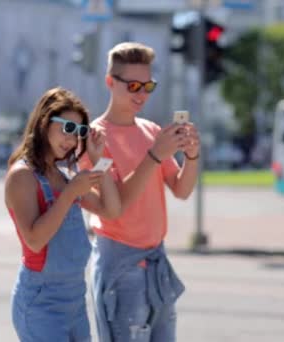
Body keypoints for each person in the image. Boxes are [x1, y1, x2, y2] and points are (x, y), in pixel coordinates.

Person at [79, 42, 200, 342]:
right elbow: (114, 204)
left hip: (156, 261)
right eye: (133, 85)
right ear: (110, 82)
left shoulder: (150, 130)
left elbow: (182, 190)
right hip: (120, 266)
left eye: (148, 86)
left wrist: (193, 156)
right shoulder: (95, 139)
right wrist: (155, 156)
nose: (141, 94)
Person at [5, 87, 121, 341]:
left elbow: (111, 210)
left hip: (75, 300)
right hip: (41, 303)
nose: (72, 139)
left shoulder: (65, 173)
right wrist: (70, 194)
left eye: (79, 131)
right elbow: (34, 240)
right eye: (67, 128)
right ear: (45, 123)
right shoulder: (21, 176)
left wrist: (98, 158)